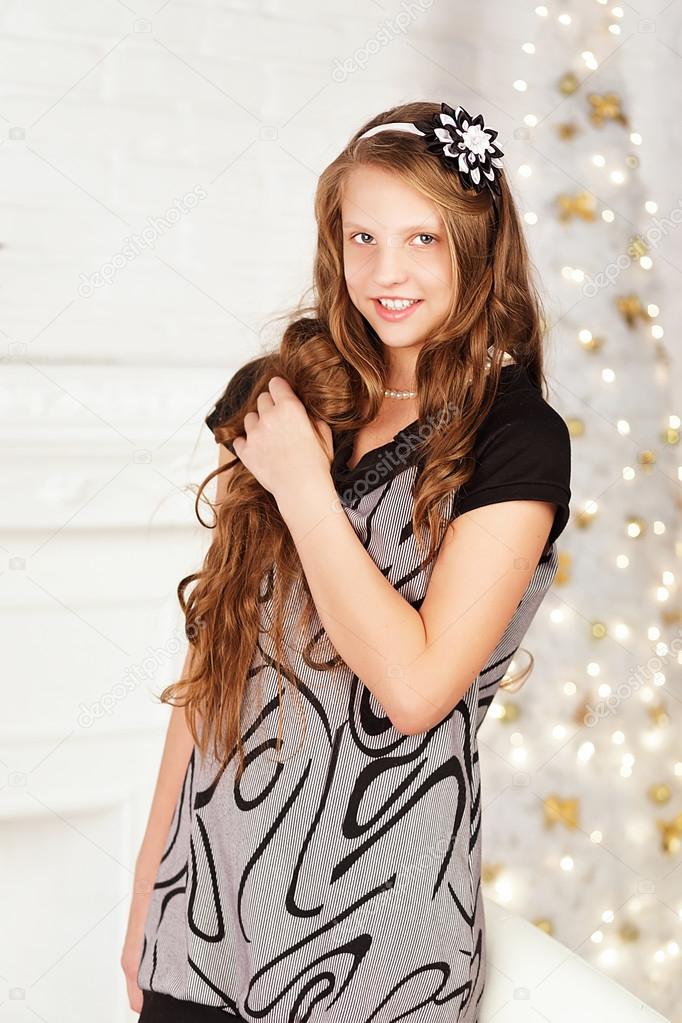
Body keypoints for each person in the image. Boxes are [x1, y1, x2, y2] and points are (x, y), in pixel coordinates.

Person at [121, 101, 571, 1023]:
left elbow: (413, 689)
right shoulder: (292, 399)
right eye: (361, 236)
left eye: (422, 239)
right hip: (204, 921)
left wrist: (303, 487)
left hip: (379, 945)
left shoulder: (517, 440)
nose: (386, 272)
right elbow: (219, 662)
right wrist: (149, 891)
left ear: (478, 248)